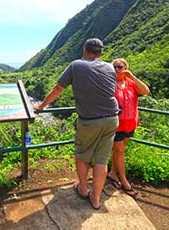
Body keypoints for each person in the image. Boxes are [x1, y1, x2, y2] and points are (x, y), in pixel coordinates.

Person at [34, 38, 119, 210]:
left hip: (89, 121)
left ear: (85, 50)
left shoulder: (76, 65)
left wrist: (41, 106)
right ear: (101, 53)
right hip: (112, 118)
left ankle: (83, 188)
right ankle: (95, 198)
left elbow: (58, 89)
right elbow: (110, 90)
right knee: (101, 160)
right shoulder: (110, 67)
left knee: (82, 155)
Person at [107, 58, 150, 198]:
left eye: (121, 66)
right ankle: (125, 181)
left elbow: (145, 91)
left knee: (118, 151)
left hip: (131, 122)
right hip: (116, 124)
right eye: (115, 66)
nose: (118, 69)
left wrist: (131, 76)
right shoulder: (110, 83)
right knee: (120, 150)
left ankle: (113, 173)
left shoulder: (131, 83)